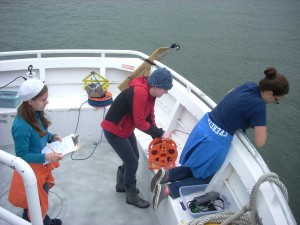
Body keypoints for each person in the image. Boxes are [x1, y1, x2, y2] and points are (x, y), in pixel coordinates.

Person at [151, 67, 290, 210]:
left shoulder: (249, 86)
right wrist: (257, 120)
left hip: (204, 126)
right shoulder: (259, 107)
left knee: (196, 165)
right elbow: (260, 142)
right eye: (276, 100)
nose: (274, 102)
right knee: (207, 177)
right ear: (270, 93)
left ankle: (167, 175)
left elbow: (230, 93)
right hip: (215, 140)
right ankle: (167, 190)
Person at [101, 68, 173, 208]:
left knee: (134, 157)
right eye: (165, 89)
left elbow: (149, 118)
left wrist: (158, 136)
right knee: (132, 162)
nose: (166, 92)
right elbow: (139, 122)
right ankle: (131, 195)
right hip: (114, 130)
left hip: (125, 129)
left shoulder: (151, 95)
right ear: (157, 86)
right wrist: (160, 134)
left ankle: (121, 185)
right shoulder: (140, 92)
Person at [8, 79, 64, 225]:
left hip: (41, 165)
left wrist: (52, 137)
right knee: (36, 201)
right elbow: (21, 155)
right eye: (43, 99)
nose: (47, 102)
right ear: (30, 102)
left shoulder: (36, 114)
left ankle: (33, 219)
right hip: (32, 169)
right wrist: (47, 156)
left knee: (40, 196)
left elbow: (40, 132)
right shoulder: (21, 125)